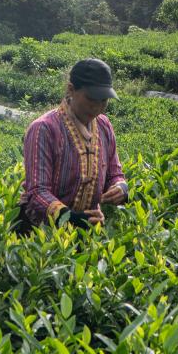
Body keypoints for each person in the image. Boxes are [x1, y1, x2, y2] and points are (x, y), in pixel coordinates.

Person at [17, 58, 128, 231]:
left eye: (104, 100)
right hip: (40, 233)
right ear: (71, 89)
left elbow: (114, 174)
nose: (97, 107)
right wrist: (70, 217)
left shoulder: (104, 126)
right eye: (91, 98)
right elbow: (37, 191)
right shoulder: (44, 129)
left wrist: (120, 188)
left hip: (87, 230)